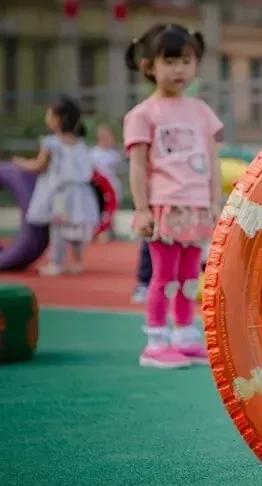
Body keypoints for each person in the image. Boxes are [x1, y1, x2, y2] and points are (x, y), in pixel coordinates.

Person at [123, 23, 223, 368]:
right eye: (170, 61)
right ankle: (155, 342)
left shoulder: (202, 112)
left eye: (186, 61)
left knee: (188, 278)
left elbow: (212, 161)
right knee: (163, 277)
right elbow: (137, 167)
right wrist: (142, 209)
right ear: (149, 66)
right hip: (165, 205)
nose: (179, 69)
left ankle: (183, 335)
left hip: (196, 207)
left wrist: (214, 202)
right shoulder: (142, 115)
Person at [12, 96, 99, 276]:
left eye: (49, 114)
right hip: (79, 193)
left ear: (57, 119)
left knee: (58, 228)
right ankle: (77, 261)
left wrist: (20, 163)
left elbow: (39, 166)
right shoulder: (80, 143)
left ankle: (56, 263)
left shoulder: (51, 143)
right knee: (75, 228)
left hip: (60, 194)